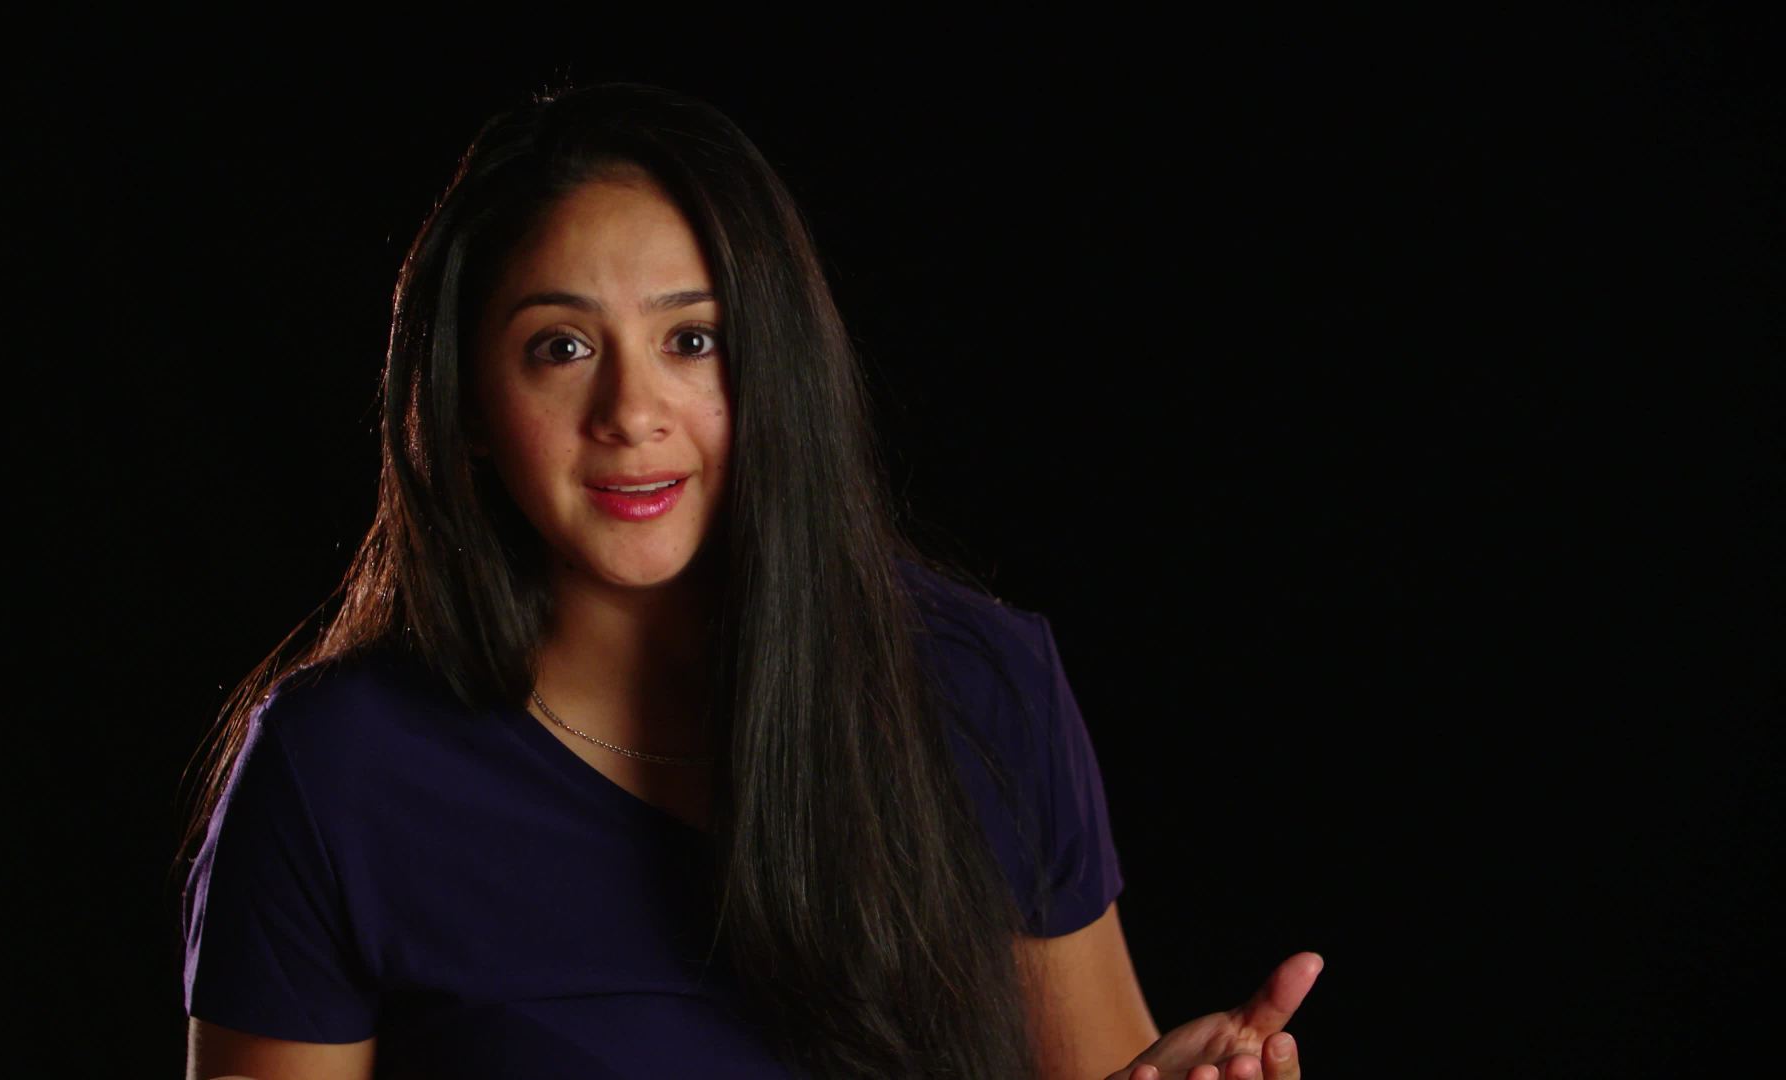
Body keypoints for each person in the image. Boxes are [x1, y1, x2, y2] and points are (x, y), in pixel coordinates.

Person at [174, 80, 1323, 1080]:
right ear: (469, 404)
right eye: (561, 347)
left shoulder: (980, 687)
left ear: (778, 366)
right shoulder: (338, 768)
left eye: (694, 340)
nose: (632, 412)